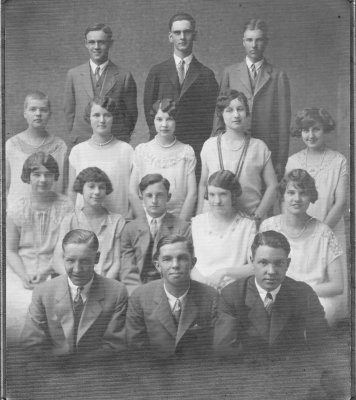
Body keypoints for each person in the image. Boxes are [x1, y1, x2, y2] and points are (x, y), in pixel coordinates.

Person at [214, 230, 329, 361]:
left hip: (292, 373)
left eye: (279, 263)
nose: (271, 271)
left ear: (288, 264)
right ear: (252, 262)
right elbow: (224, 349)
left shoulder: (303, 293)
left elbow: (322, 344)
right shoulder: (232, 295)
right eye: (263, 262)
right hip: (249, 374)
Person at [21, 229, 128, 362]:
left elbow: (115, 346)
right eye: (70, 261)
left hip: (97, 371)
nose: (77, 269)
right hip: (53, 370)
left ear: (97, 258)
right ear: (63, 258)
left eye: (84, 261)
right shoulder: (43, 292)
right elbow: (32, 345)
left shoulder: (116, 292)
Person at [286, 108, 349, 322]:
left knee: (331, 310)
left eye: (316, 129)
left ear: (325, 129)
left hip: (329, 227)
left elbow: (340, 202)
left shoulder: (338, 161)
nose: (310, 135)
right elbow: (288, 199)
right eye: (305, 130)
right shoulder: (293, 160)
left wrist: (320, 231)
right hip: (300, 228)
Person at [260, 169, 344, 326]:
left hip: (313, 296)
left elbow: (337, 286)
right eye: (291, 192)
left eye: (303, 193)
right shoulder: (268, 226)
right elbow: (258, 269)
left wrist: (299, 292)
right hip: (277, 292)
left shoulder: (324, 233)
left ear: (311, 197)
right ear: (282, 196)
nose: (296, 199)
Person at [6, 152, 73, 342]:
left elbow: (63, 247)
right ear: (28, 176)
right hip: (20, 270)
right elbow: (10, 250)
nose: (43, 179)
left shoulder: (65, 206)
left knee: (53, 306)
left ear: (54, 177)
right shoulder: (17, 207)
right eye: (36, 174)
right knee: (16, 305)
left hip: (54, 269)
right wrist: (24, 275)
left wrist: (44, 272)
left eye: (48, 174)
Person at [213, 19, 291, 178]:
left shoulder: (278, 75)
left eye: (259, 40)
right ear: (243, 42)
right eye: (249, 40)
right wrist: (216, 148)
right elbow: (219, 114)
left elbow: (283, 123)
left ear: (266, 42)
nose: (254, 45)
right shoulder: (230, 72)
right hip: (234, 145)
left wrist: (280, 161)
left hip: (267, 148)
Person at [143, 12, 218, 177]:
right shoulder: (157, 72)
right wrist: (160, 139)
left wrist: (197, 145)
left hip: (193, 149)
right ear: (170, 37)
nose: (182, 37)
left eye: (187, 32)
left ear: (194, 35)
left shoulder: (206, 75)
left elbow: (209, 115)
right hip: (162, 146)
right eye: (177, 33)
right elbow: (149, 111)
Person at [126, 235, 217, 360]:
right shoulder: (140, 297)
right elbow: (136, 349)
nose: (175, 265)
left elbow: (214, 350)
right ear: (158, 265)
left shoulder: (211, 297)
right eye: (167, 259)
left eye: (182, 258)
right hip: (155, 372)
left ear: (193, 263)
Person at [198, 90, 278, 219]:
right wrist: (200, 216)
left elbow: (273, 185)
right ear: (221, 114)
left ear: (246, 113)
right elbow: (203, 184)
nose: (236, 115)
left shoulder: (259, 147)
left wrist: (257, 216)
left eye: (240, 109)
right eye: (229, 110)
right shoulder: (209, 145)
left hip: (248, 218)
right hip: (214, 218)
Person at [64, 23, 137, 145]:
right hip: (82, 141)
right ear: (86, 44)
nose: (96, 47)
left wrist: (122, 138)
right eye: (92, 42)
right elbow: (69, 111)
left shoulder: (124, 76)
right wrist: (75, 135)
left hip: (114, 142)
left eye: (101, 42)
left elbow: (131, 114)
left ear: (110, 44)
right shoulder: (74, 74)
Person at [121, 174, 191, 295]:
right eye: (149, 196)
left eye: (159, 195)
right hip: (138, 288)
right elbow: (128, 270)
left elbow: (182, 267)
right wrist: (137, 294)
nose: (154, 201)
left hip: (169, 289)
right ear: (141, 197)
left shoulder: (182, 228)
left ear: (168, 197)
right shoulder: (130, 229)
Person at [130, 99, 197, 221]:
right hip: (147, 220)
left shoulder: (186, 152)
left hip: (177, 220)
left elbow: (192, 194)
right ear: (153, 120)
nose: (164, 125)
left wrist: (180, 226)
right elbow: (132, 192)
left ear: (176, 121)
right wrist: (143, 222)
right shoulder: (141, 151)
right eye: (159, 119)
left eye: (169, 119)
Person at [53, 167, 125, 279]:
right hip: (74, 280)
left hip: (104, 283)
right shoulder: (69, 220)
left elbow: (116, 263)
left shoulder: (116, 221)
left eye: (101, 187)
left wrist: (102, 284)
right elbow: (57, 260)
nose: (97, 192)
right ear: (81, 189)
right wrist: (74, 280)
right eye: (91, 186)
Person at [68, 96, 133, 217]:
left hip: (118, 224)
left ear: (113, 118)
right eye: (96, 115)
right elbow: (72, 193)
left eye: (107, 115)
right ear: (89, 118)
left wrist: (127, 221)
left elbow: (133, 193)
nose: (102, 120)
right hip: (84, 224)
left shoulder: (126, 151)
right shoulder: (78, 151)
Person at [191, 170, 256, 291]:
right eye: (212, 195)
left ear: (233, 195)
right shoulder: (197, 223)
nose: (217, 201)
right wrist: (204, 283)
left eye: (223, 194)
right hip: (199, 289)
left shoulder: (247, 226)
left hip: (233, 292)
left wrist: (224, 272)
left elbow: (255, 267)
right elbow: (189, 263)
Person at [6, 91, 67, 204]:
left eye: (43, 110)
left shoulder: (60, 146)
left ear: (50, 114)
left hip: (51, 210)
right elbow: (5, 185)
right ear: (25, 113)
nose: (38, 113)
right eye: (33, 109)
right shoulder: (11, 145)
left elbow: (62, 186)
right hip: (18, 213)